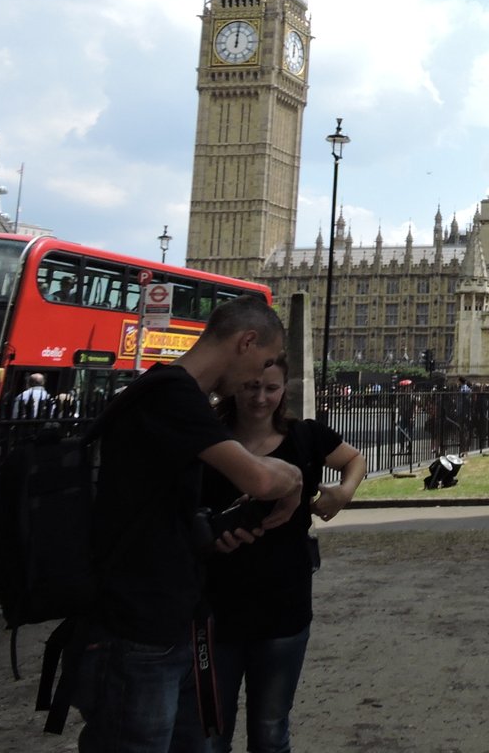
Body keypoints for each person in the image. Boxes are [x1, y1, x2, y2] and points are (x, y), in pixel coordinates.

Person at [73, 296, 304, 753]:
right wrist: (295, 478)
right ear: (246, 341)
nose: (255, 380)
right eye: (261, 363)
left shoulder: (177, 397)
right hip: (137, 629)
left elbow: (157, 510)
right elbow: (259, 478)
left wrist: (212, 534)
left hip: (174, 622)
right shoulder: (171, 394)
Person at [202, 353, 366, 753]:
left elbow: (354, 460)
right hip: (217, 605)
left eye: (271, 388)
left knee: (271, 729)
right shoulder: (210, 441)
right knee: (210, 732)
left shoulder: (305, 436)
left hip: (283, 603)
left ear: (284, 391)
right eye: (251, 386)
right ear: (234, 386)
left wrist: (343, 493)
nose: (260, 398)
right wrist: (208, 536)